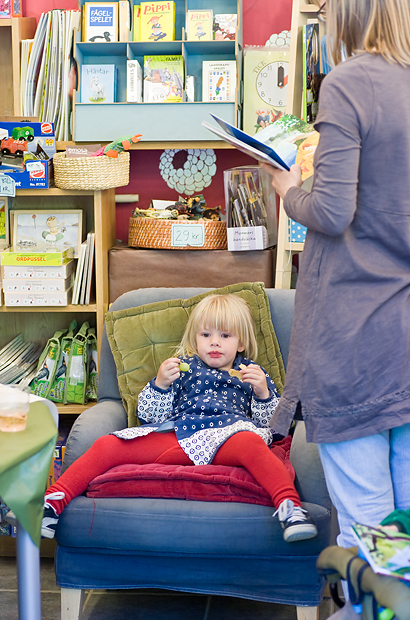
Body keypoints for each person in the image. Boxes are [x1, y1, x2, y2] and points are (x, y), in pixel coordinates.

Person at [261, 0, 410, 552]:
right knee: (405, 527)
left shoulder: (350, 82)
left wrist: (286, 189)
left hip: (357, 337)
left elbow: (330, 212)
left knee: (371, 530)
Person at [42, 294, 318, 543]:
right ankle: (52, 503)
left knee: (254, 446)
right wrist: (161, 384)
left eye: (225, 335)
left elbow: (274, 427)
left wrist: (263, 393)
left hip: (229, 437)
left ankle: (290, 508)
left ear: (241, 342)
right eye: (206, 335)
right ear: (195, 339)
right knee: (107, 445)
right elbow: (149, 416)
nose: (214, 342)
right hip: (178, 433)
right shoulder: (182, 366)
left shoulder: (251, 372)